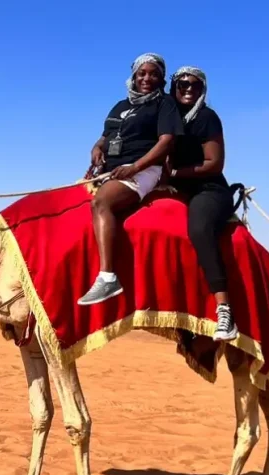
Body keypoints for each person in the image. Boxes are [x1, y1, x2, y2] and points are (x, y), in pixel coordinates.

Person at [77, 53, 184, 306]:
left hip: (144, 170)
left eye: (154, 74)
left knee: (102, 203)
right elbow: (106, 136)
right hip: (111, 169)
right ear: (134, 76)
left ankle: (107, 277)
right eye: (142, 73)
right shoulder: (120, 106)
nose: (147, 78)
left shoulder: (165, 104)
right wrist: (97, 147)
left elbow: (166, 141)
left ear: (161, 78)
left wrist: (135, 167)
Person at [167, 66, 238, 341]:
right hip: (173, 187)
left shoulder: (207, 118)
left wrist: (174, 174)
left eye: (194, 85)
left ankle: (224, 310)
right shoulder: (166, 117)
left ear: (202, 90)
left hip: (206, 188)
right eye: (182, 84)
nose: (187, 89)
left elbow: (213, 163)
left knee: (198, 229)